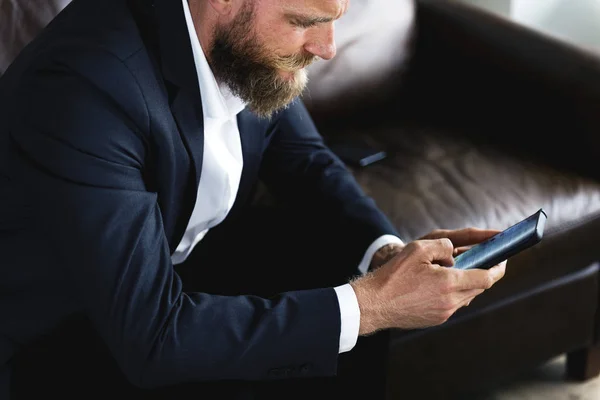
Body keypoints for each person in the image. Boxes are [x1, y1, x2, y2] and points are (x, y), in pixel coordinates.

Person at [0, 0, 507, 399]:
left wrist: (386, 256)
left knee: (343, 292)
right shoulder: (85, 87)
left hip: (178, 264)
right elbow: (151, 338)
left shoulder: (242, 44)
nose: (329, 47)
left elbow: (304, 158)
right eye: (306, 21)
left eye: (335, 18)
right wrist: (373, 304)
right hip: (62, 334)